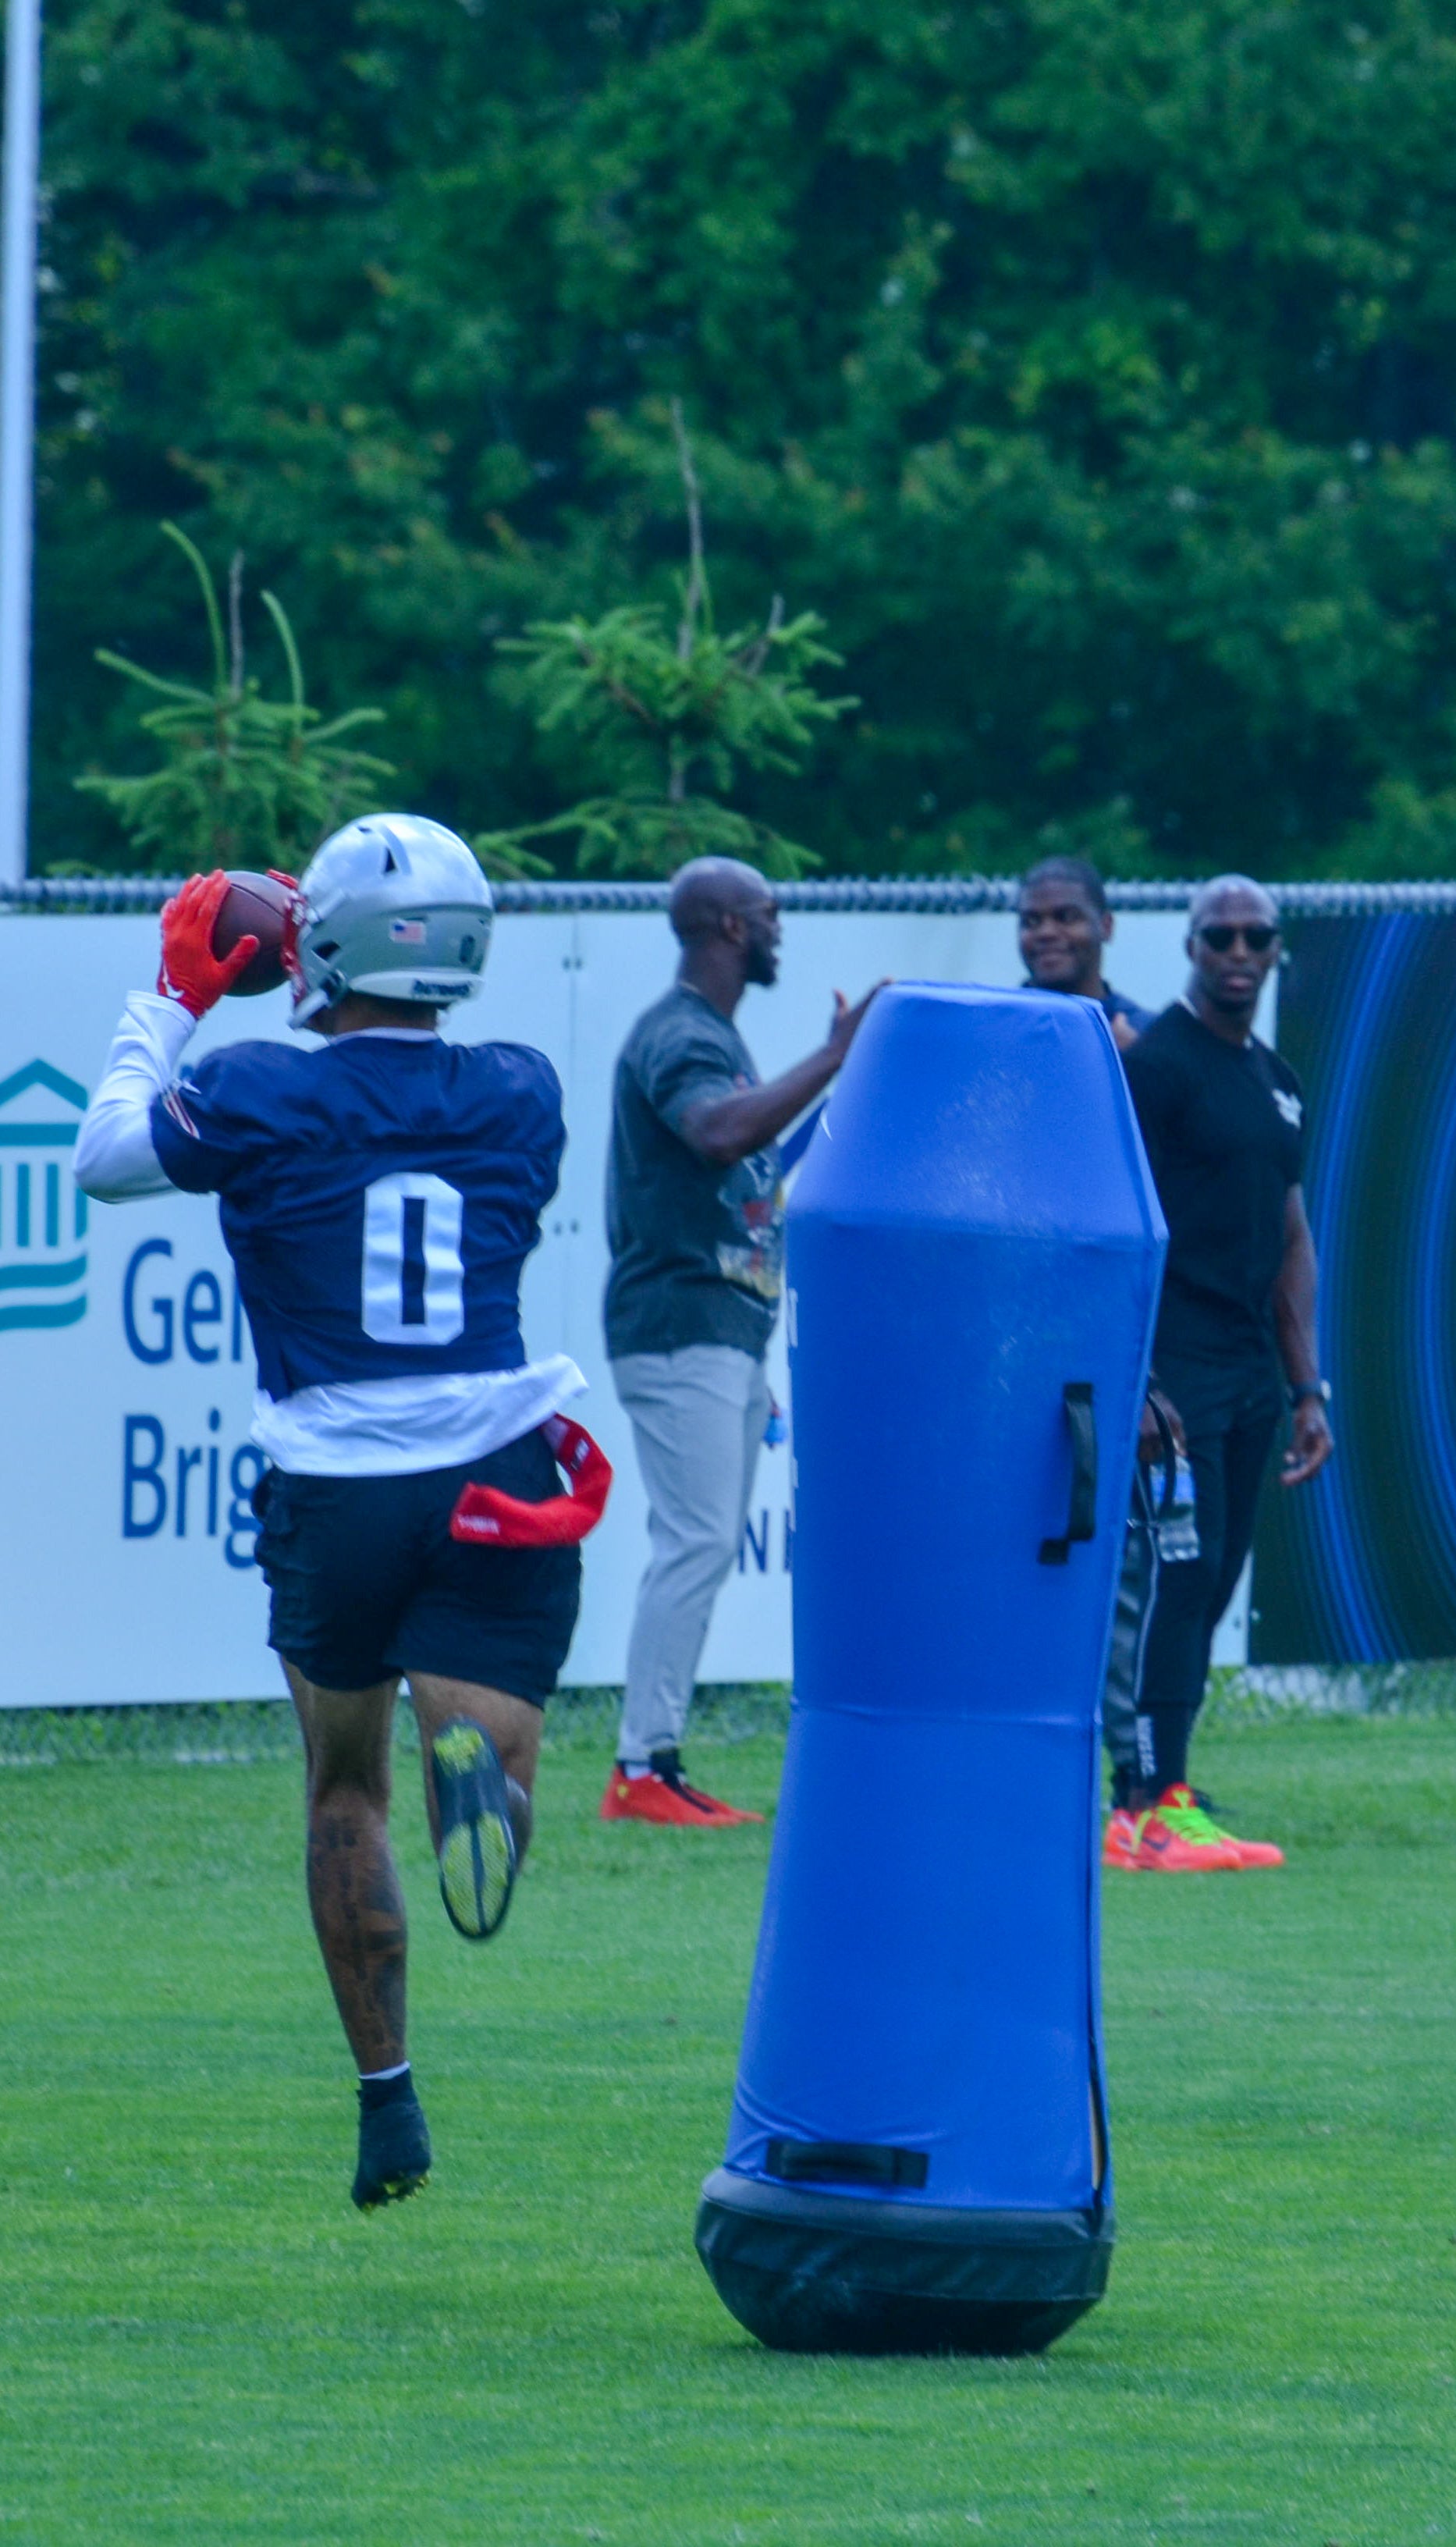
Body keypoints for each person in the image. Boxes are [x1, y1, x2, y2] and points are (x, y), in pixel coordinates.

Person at [74, 822, 594, 2210]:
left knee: (341, 1783)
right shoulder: (520, 1093)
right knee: (476, 1746)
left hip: (337, 1472)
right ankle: (479, 1768)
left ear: (330, 951)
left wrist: (176, 998)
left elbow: (106, 1157)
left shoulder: (257, 1087)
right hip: (497, 1461)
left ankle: (387, 2102)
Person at [602, 857, 882, 1827]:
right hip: (680, 1325)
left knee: (700, 1541)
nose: (780, 927)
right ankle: (641, 1767)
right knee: (698, 1541)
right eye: (768, 912)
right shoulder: (680, 1035)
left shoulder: (711, 1034)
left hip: (715, 1329)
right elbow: (718, 1133)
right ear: (726, 926)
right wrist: (834, 1056)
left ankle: (656, 1765)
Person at [1103, 873, 1333, 1874]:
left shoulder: (1276, 1080)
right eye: (1219, 937)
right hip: (1176, 1367)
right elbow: (1116, 1221)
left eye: (1256, 936)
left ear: (1277, 948)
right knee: (1179, 1579)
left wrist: (1308, 1387)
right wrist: (1140, 1376)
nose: (1239, 952)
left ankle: (1170, 1792)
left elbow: (1290, 1236)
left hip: (1249, 1373)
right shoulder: (1157, 1067)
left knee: (1217, 1582)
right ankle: (1147, 1803)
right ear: (1190, 948)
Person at [1017, 856, 1156, 1043]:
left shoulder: (1147, 1036)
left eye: (1066, 917)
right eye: (1031, 921)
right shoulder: (994, 1030)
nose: (1046, 933)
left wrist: (1131, 1064)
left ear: (1106, 926)